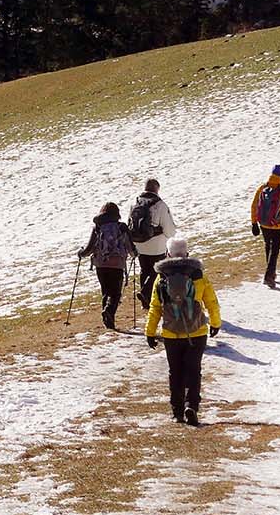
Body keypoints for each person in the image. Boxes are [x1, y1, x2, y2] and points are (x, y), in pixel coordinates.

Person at [145, 236, 222, 426]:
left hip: (171, 333)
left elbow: (155, 307)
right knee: (193, 371)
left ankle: (177, 411)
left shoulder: (161, 277)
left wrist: (150, 331)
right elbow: (211, 301)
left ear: (168, 254)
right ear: (187, 253)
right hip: (196, 332)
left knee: (175, 372)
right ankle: (191, 406)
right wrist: (215, 323)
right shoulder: (198, 275)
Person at [78, 202, 135, 329]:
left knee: (105, 291)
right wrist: (134, 253)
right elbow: (130, 247)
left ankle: (107, 320)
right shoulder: (122, 227)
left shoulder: (97, 227)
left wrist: (81, 253)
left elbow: (89, 248)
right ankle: (109, 312)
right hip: (117, 264)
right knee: (115, 293)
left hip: (101, 265)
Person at [127, 177, 178, 309]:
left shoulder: (135, 203)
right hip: (157, 245)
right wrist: (169, 236)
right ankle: (145, 293)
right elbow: (169, 229)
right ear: (157, 189)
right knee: (157, 270)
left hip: (139, 243)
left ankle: (146, 301)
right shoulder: (160, 205)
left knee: (145, 270)